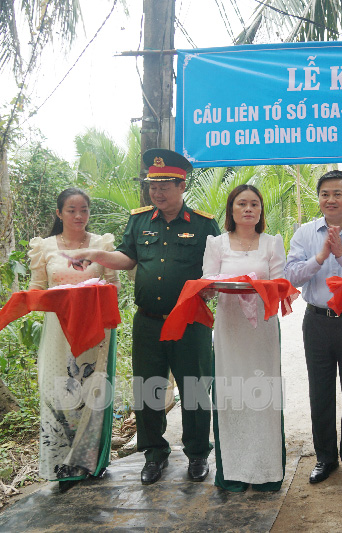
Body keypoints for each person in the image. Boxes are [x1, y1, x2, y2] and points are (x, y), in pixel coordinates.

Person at [73, 149, 220, 485]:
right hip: (148, 321)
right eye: (153, 186)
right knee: (148, 390)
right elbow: (127, 257)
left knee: (195, 389)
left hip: (190, 320)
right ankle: (154, 455)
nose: (157, 192)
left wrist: (212, 287)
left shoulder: (202, 222)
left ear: (182, 185)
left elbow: (215, 266)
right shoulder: (139, 220)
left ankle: (197, 454)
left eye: (165, 185)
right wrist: (93, 254)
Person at [27, 188, 121, 491]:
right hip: (58, 331)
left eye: (84, 210)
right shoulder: (45, 247)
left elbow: (113, 287)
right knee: (59, 391)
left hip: (96, 332)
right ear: (59, 213)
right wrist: (62, 298)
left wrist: (92, 296)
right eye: (71, 210)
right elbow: (36, 290)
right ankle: (62, 465)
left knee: (91, 394)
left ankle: (90, 463)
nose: (79, 216)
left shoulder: (100, 245)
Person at [284, 170, 342, 484]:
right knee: (320, 391)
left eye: (337, 194)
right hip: (317, 321)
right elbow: (291, 276)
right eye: (325, 194)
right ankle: (326, 458)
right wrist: (320, 257)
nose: (331, 200)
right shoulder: (305, 233)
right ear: (318, 199)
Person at [203, 185, 286, 491]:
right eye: (242, 204)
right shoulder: (217, 244)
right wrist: (211, 287)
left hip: (262, 329)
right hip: (230, 328)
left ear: (261, 211)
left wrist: (260, 286)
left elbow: (281, 284)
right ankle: (233, 474)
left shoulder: (272, 243)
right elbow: (208, 283)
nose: (249, 209)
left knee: (264, 394)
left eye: (254, 204)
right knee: (232, 395)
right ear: (232, 210)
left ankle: (266, 473)